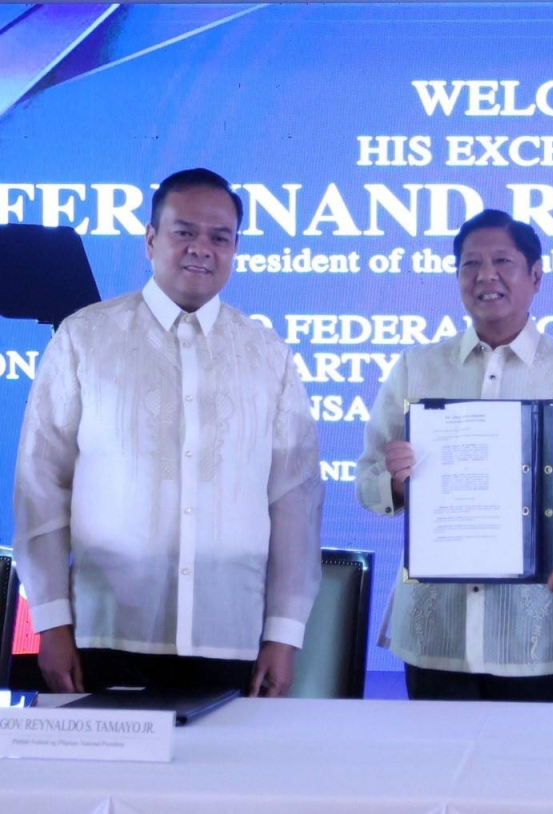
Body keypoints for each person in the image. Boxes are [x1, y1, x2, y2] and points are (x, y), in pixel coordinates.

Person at [13, 168, 323, 697]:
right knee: (101, 782)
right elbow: (40, 489)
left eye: (219, 237)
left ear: (235, 248)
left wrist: (284, 634)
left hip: (230, 636)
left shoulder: (268, 355)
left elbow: (295, 503)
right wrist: (49, 621)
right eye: (184, 231)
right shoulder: (84, 339)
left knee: (220, 782)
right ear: (151, 240)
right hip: (104, 631)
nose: (201, 247)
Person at [357, 209, 553, 702]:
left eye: (502, 262)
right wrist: (395, 482)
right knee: (434, 776)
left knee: (529, 777)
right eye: (470, 264)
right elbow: (367, 477)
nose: (485, 276)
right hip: (435, 632)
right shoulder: (416, 366)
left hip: (534, 634)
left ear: (535, 275)